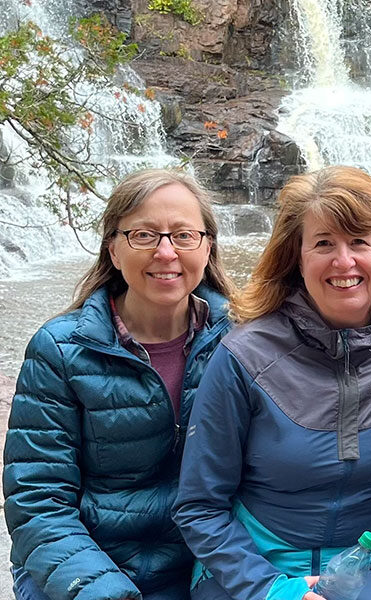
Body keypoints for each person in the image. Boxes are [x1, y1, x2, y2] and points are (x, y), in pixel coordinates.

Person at [172, 166, 371, 600]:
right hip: (250, 568)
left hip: (370, 565)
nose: (344, 261)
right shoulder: (244, 356)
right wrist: (271, 590)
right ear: (296, 259)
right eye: (323, 244)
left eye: (359, 241)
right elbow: (199, 507)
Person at [3, 169, 236, 600]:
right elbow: (37, 498)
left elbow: (335, 323)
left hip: (200, 568)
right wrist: (102, 590)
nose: (166, 252)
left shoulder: (242, 339)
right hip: (80, 567)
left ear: (207, 248)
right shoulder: (60, 349)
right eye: (144, 235)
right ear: (113, 248)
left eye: (184, 235)